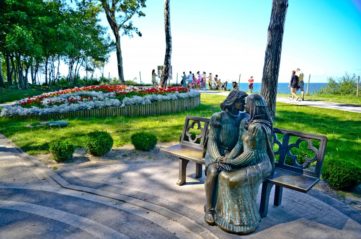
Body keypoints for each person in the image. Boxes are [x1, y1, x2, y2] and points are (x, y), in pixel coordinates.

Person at [213, 94, 275, 234]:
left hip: (260, 165)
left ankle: (246, 221)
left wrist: (231, 162)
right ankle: (227, 217)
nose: (244, 106)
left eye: (246, 103)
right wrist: (227, 158)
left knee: (233, 180)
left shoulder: (258, 128)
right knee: (223, 175)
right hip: (247, 162)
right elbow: (239, 145)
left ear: (253, 107)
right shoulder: (246, 123)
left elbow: (251, 154)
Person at [204, 90, 249, 225]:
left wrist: (230, 158)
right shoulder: (218, 117)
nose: (244, 104)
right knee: (213, 172)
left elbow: (241, 142)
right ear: (233, 102)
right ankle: (209, 208)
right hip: (215, 154)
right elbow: (212, 142)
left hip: (234, 155)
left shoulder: (244, 117)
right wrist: (218, 158)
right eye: (241, 101)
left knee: (241, 175)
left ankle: (233, 209)